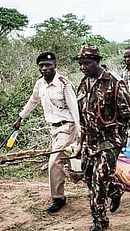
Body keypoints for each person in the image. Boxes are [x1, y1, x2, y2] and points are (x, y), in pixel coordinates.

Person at [74, 44, 130, 231]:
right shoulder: (83, 84)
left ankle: (99, 220)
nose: (83, 67)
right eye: (80, 64)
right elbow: (83, 118)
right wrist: (80, 144)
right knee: (88, 177)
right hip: (91, 140)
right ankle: (116, 190)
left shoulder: (114, 82)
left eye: (87, 63)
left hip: (111, 140)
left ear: (97, 62)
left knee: (98, 178)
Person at [13, 52, 80, 213]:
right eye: (42, 65)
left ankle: (58, 198)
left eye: (48, 65)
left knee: (54, 161)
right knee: (66, 160)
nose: (45, 68)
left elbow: (74, 108)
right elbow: (33, 101)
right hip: (53, 129)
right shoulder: (40, 84)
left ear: (55, 65)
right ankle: (82, 176)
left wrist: (80, 132)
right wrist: (20, 117)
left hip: (67, 127)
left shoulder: (64, 84)